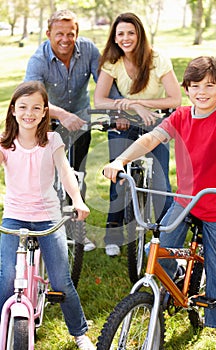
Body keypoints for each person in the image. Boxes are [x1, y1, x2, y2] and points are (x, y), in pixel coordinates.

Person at [103, 56, 216, 350]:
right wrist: (121, 159)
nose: (202, 92)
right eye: (196, 85)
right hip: (186, 200)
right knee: (157, 249)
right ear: (187, 88)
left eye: (210, 86)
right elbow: (151, 139)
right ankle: (170, 281)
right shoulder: (181, 116)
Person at [0, 81, 95, 350]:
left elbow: (65, 172)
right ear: (13, 110)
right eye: (23, 107)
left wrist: (77, 200)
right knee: (5, 276)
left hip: (47, 217)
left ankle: (79, 332)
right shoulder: (5, 142)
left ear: (44, 113)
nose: (29, 113)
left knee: (61, 280)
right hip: (15, 218)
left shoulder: (52, 140)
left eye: (36, 108)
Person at [94, 12, 182, 257]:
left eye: (130, 33)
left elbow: (175, 98)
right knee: (118, 177)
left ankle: (167, 236)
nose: (125, 38)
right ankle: (112, 233)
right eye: (120, 33)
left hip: (155, 124)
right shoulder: (113, 61)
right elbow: (99, 100)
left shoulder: (157, 59)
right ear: (114, 37)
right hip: (124, 123)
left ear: (139, 34)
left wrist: (143, 105)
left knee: (161, 183)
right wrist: (133, 106)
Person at [24, 9, 97, 251]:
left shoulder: (88, 50)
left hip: (80, 119)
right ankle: (47, 228)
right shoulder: (38, 59)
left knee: (78, 175)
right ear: (48, 34)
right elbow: (32, 97)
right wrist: (62, 115)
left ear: (77, 33)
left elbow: (104, 83)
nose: (65, 39)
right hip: (48, 119)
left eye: (71, 33)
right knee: (46, 176)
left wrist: (120, 107)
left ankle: (78, 232)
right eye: (59, 34)